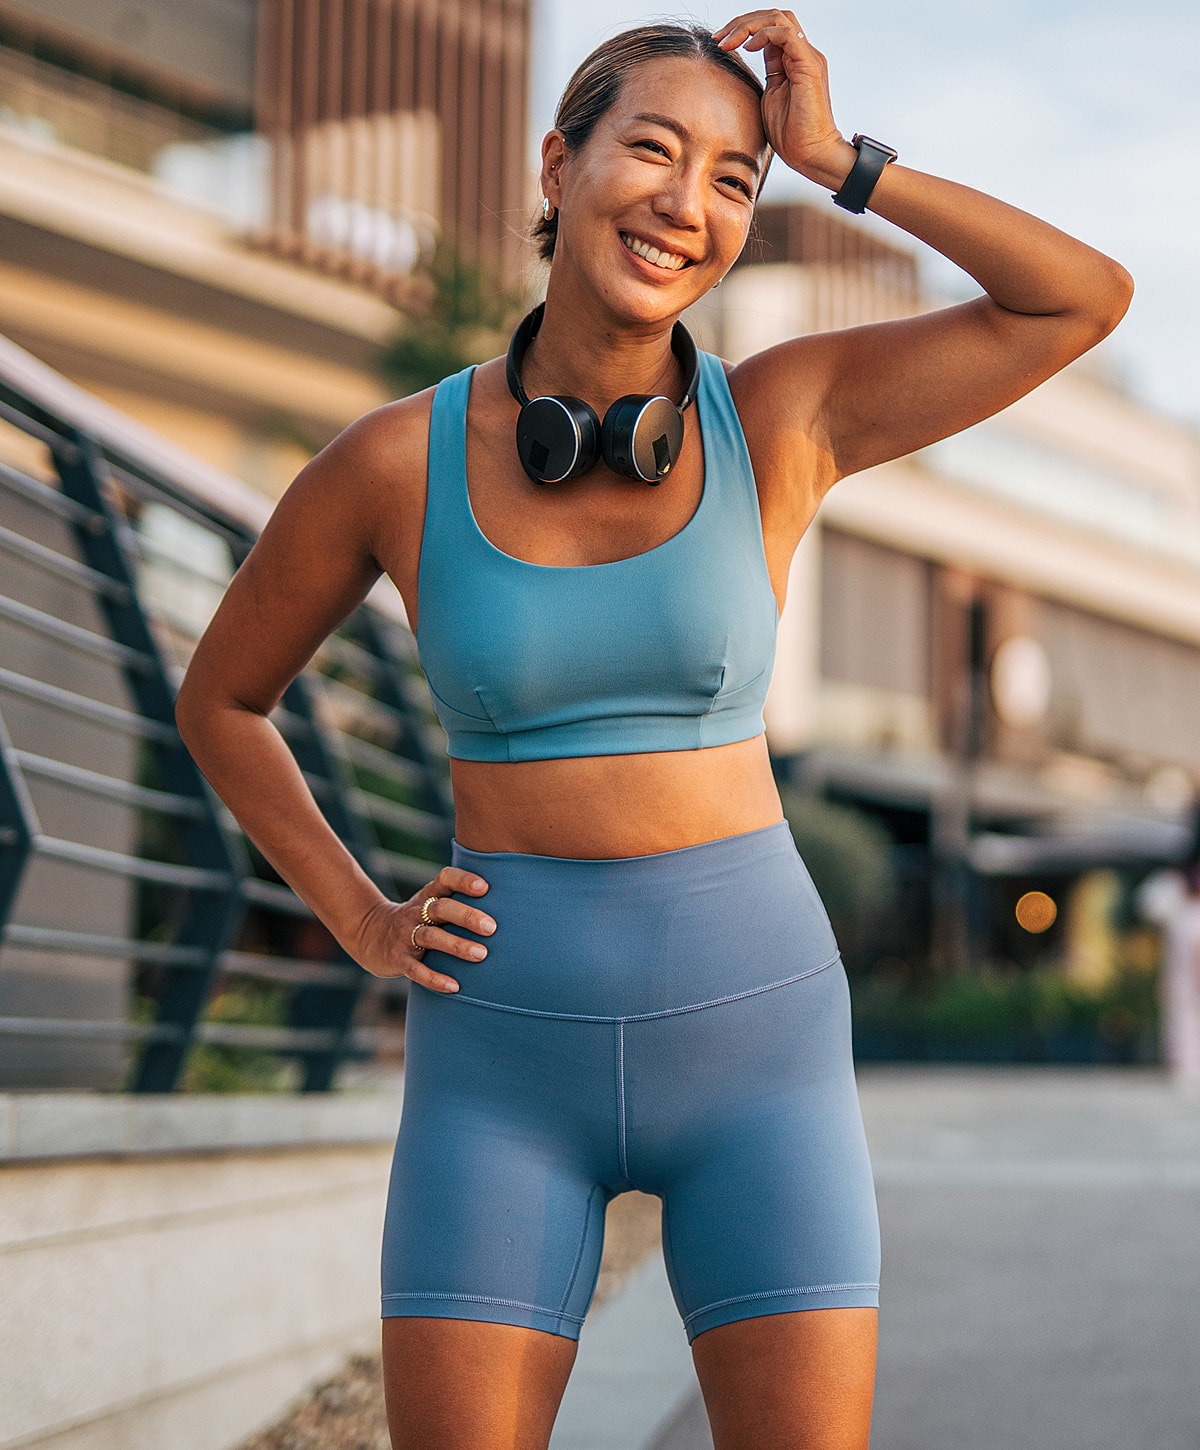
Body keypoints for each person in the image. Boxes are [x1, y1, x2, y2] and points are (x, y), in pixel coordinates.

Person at [175, 10, 1132, 1448]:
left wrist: (842, 161)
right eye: (655, 150)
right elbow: (222, 700)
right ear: (558, 166)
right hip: (498, 1061)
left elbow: (1080, 299)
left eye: (735, 179)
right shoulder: (394, 462)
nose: (689, 203)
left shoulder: (787, 416)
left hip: (759, 1049)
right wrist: (365, 920)